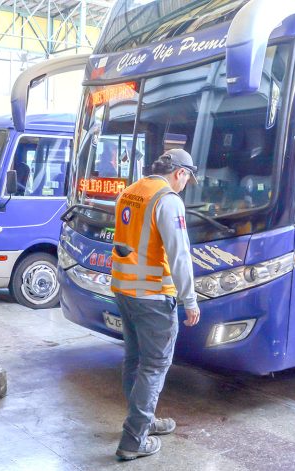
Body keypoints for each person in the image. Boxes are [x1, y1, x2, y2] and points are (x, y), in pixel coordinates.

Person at [111, 148, 201, 460]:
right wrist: (190, 299)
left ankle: (143, 420)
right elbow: (179, 255)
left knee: (134, 361)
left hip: (124, 290)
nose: (185, 185)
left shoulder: (130, 192)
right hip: (152, 295)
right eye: (187, 178)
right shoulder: (168, 200)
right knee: (154, 366)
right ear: (180, 173)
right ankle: (133, 440)